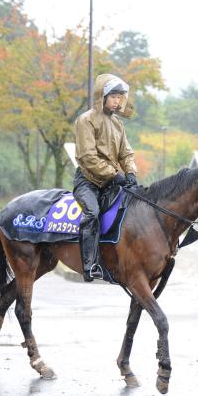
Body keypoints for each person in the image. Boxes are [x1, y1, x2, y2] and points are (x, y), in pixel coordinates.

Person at [73, 74, 137, 282]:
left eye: (120, 97)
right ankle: (90, 266)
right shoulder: (85, 120)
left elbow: (126, 153)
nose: (118, 101)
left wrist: (130, 173)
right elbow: (87, 157)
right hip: (88, 181)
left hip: (112, 182)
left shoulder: (118, 124)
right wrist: (114, 174)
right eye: (114, 96)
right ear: (103, 96)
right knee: (92, 213)